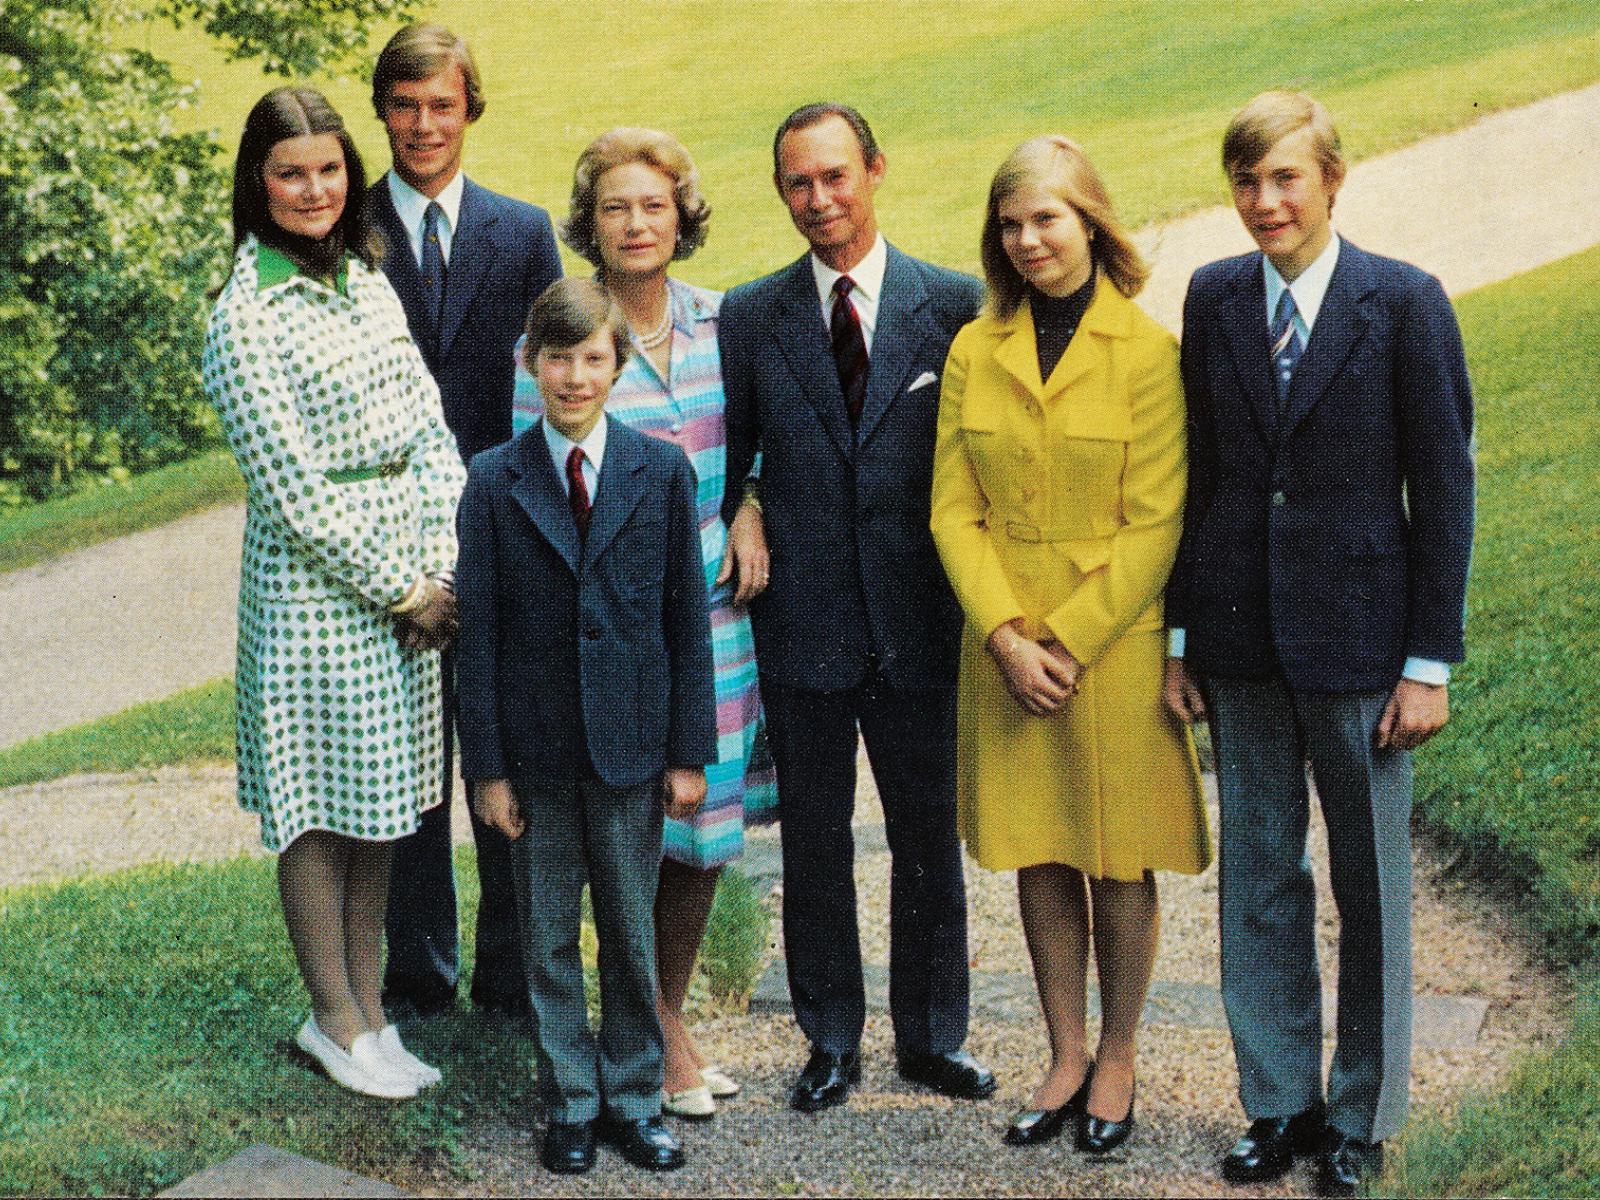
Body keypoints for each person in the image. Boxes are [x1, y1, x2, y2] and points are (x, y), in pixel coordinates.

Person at [1163, 90, 1474, 1194]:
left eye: (1285, 178)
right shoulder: (1210, 301)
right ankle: (1280, 1101)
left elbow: (1442, 490)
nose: (1264, 202)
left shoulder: (1402, 303)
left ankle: (1360, 1115)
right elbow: (1201, 477)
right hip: (1241, 645)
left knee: (1369, 886)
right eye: (1246, 182)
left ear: (1331, 180)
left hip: (1361, 646)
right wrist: (1182, 636)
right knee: (1257, 877)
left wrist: (1426, 663)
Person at [930, 135, 1210, 1155]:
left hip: (1112, 646)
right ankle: (1062, 1049)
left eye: (1045, 218)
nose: (1028, 240)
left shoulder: (1144, 351)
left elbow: (1156, 521)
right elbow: (951, 513)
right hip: (1003, 640)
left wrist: (1070, 640)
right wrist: (1005, 634)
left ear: (1089, 219)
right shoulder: (974, 348)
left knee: (1115, 858)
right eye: (1010, 225)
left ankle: (1121, 1053)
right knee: (1039, 851)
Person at [720, 102, 994, 1112]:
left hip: (920, 620)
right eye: (798, 182)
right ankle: (829, 1036)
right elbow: (731, 453)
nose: (818, 200)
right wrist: (743, 506)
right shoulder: (752, 317)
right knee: (815, 839)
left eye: (835, 176)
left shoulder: (953, 303)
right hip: (806, 622)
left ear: (875, 170)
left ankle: (931, 1037)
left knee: (928, 835)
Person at [201, 87, 466, 1099]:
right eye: (290, 173)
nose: (314, 190)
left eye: (327, 169)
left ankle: (372, 1013)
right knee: (319, 806)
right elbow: (294, 493)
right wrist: (401, 587)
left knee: (384, 799)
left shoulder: (367, 280)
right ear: (257, 184)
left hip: (411, 578)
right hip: (319, 596)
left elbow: (428, 434)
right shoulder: (247, 316)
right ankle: (332, 1016)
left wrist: (440, 561)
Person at [511, 127, 776, 1119]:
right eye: (614, 206)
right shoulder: (561, 338)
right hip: (605, 632)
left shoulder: (725, 324)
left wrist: (748, 504)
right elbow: (528, 482)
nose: (635, 223)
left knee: (700, 836)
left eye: (653, 205)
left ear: (682, 216)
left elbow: (760, 442)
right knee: (622, 838)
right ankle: (650, 1040)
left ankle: (661, 1017)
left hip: (713, 622)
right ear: (590, 222)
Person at [457, 279, 717, 1174]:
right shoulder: (494, 481)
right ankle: (569, 1100)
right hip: (535, 758)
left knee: (631, 928)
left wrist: (690, 753)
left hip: (632, 749)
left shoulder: (660, 471)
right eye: (557, 359)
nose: (574, 377)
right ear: (532, 364)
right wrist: (486, 771)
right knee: (546, 935)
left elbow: (687, 617)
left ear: (618, 365)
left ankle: (635, 1096)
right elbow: (479, 638)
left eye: (593, 359)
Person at [368, 22, 563, 1025]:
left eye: (441, 104)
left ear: (468, 110)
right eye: (404, 105)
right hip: (394, 551)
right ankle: (416, 977)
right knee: (410, 772)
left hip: (497, 536)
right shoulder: (344, 229)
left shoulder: (521, 231)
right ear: (382, 113)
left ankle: (511, 977)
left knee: (504, 753)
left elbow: (551, 391)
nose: (422, 125)